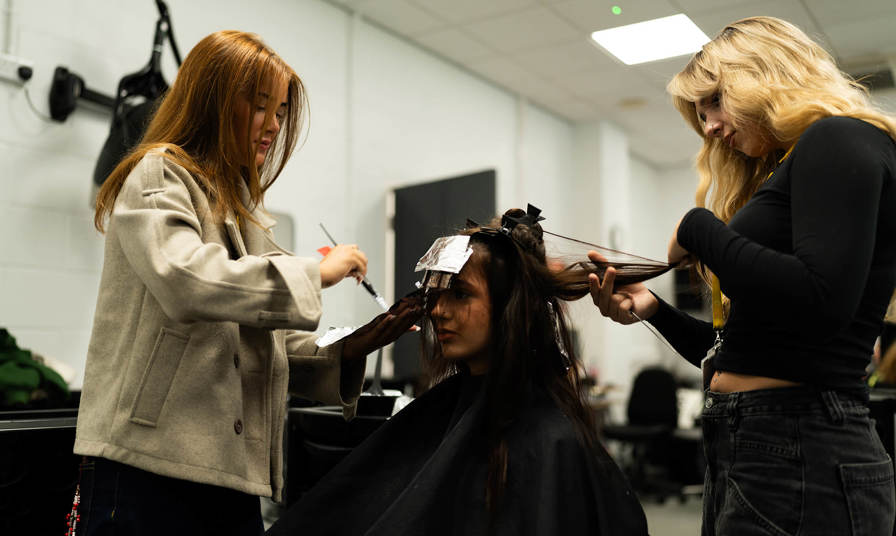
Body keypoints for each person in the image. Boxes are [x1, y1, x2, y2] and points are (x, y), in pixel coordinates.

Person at [72, 30, 420, 536]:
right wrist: (315, 272)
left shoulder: (242, 211)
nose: (274, 126)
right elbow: (188, 280)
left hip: (227, 474)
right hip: (146, 466)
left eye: (280, 111)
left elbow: (254, 346)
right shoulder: (158, 175)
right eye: (261, 107)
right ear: (213, 102)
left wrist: (352, 347)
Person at [589, 16, 896, 536]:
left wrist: (698, 228)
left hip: (802, 443)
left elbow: (821, 301)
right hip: (753, 442)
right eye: (700, 112)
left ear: (761, 75)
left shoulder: (839, 139)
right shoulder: (798, 165)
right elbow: (741, 351)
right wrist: (655, 310)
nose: (708, 125)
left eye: (713, 101)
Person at [267, 207, 650, 535]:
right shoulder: (445, 411)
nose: (438, 310)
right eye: (436, 296)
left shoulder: (551, 441)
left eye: (461, 294)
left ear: (508, 305)